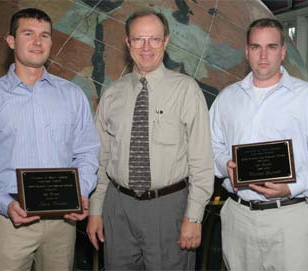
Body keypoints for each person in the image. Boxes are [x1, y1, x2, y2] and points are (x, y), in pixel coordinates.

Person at [0, 8, 99, 270]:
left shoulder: (73, 96)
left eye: (45, 35)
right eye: (28, 33)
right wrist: (4, 203)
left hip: (62, 223)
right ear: (11, 41)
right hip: (9, 219)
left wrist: (80, 192)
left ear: (51, 43)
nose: (37, 41)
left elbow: (87, 151)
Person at [86, 9, 214, 270]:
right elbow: (102, 158)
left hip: (169, 209)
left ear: (165, 42)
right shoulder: (112, 94)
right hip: (117, 208)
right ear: (127, 43)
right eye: (138, 39)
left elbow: (202, 161)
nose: (146, 47)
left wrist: (194, 216)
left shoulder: (187, 90)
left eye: (154, 39)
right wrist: (96, 209)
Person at [209, 18, 308, 271]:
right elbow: (210, 145)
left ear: (283, 51)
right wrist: (226, 165)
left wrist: (291, 187)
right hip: (239, 217)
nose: (263, 55)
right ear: (247, 52)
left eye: (271, 46)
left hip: (289, 217)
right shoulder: (227, 98)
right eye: (256, 47)